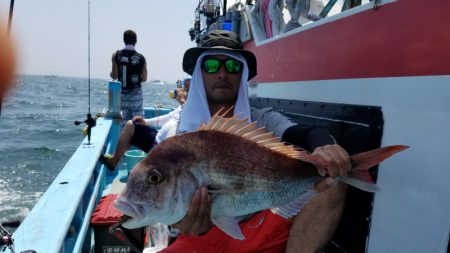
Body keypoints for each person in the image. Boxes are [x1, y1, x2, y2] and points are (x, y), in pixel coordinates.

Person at [155, 30, 350, 253]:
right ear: (199, 73)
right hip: (195, 239)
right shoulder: (174, 131)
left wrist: (325, 147)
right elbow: (160, 201)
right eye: (211, 65)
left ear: (243, 74)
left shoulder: (261, 119)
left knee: (335, 183)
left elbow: (304, 133)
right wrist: (181, 223)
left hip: (256, 227)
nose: (222, 73)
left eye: (232, 66)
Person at [99, 77, 191, 171]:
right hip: (156, 143)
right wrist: (145, 121)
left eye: (189, 87)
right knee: (131, 125)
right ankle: (114, 161)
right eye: (185, 86)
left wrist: (182, 100)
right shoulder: (183, 106)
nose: (185, 90)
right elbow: (167, 117)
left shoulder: (196, 109)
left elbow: (189, 121)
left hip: (170, 154)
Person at [110, 29, 148, 128]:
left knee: (123, 122)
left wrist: (114, 61)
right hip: (136, 94)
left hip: (122, 94)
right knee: (138, 121)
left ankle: (123, 140)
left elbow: (114, 76)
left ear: (124, 40)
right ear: (136, 41)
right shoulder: (141, 58)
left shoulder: (117, 55)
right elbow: (144, 79)